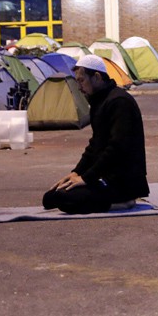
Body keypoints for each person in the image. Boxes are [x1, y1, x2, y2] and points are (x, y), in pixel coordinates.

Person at [42, 54, 149, 214]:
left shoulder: (120, 102)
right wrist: (76, 173)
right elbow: (95, 144)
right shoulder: (99, 101)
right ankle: (106, 198)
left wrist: (86, 178)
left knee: (66, 201)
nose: (79, 87)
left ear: (97, 77)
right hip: (105, 177)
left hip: (123, 182)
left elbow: (117, 148)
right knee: (50, 198)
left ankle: (124, 202)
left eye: (81, 81)